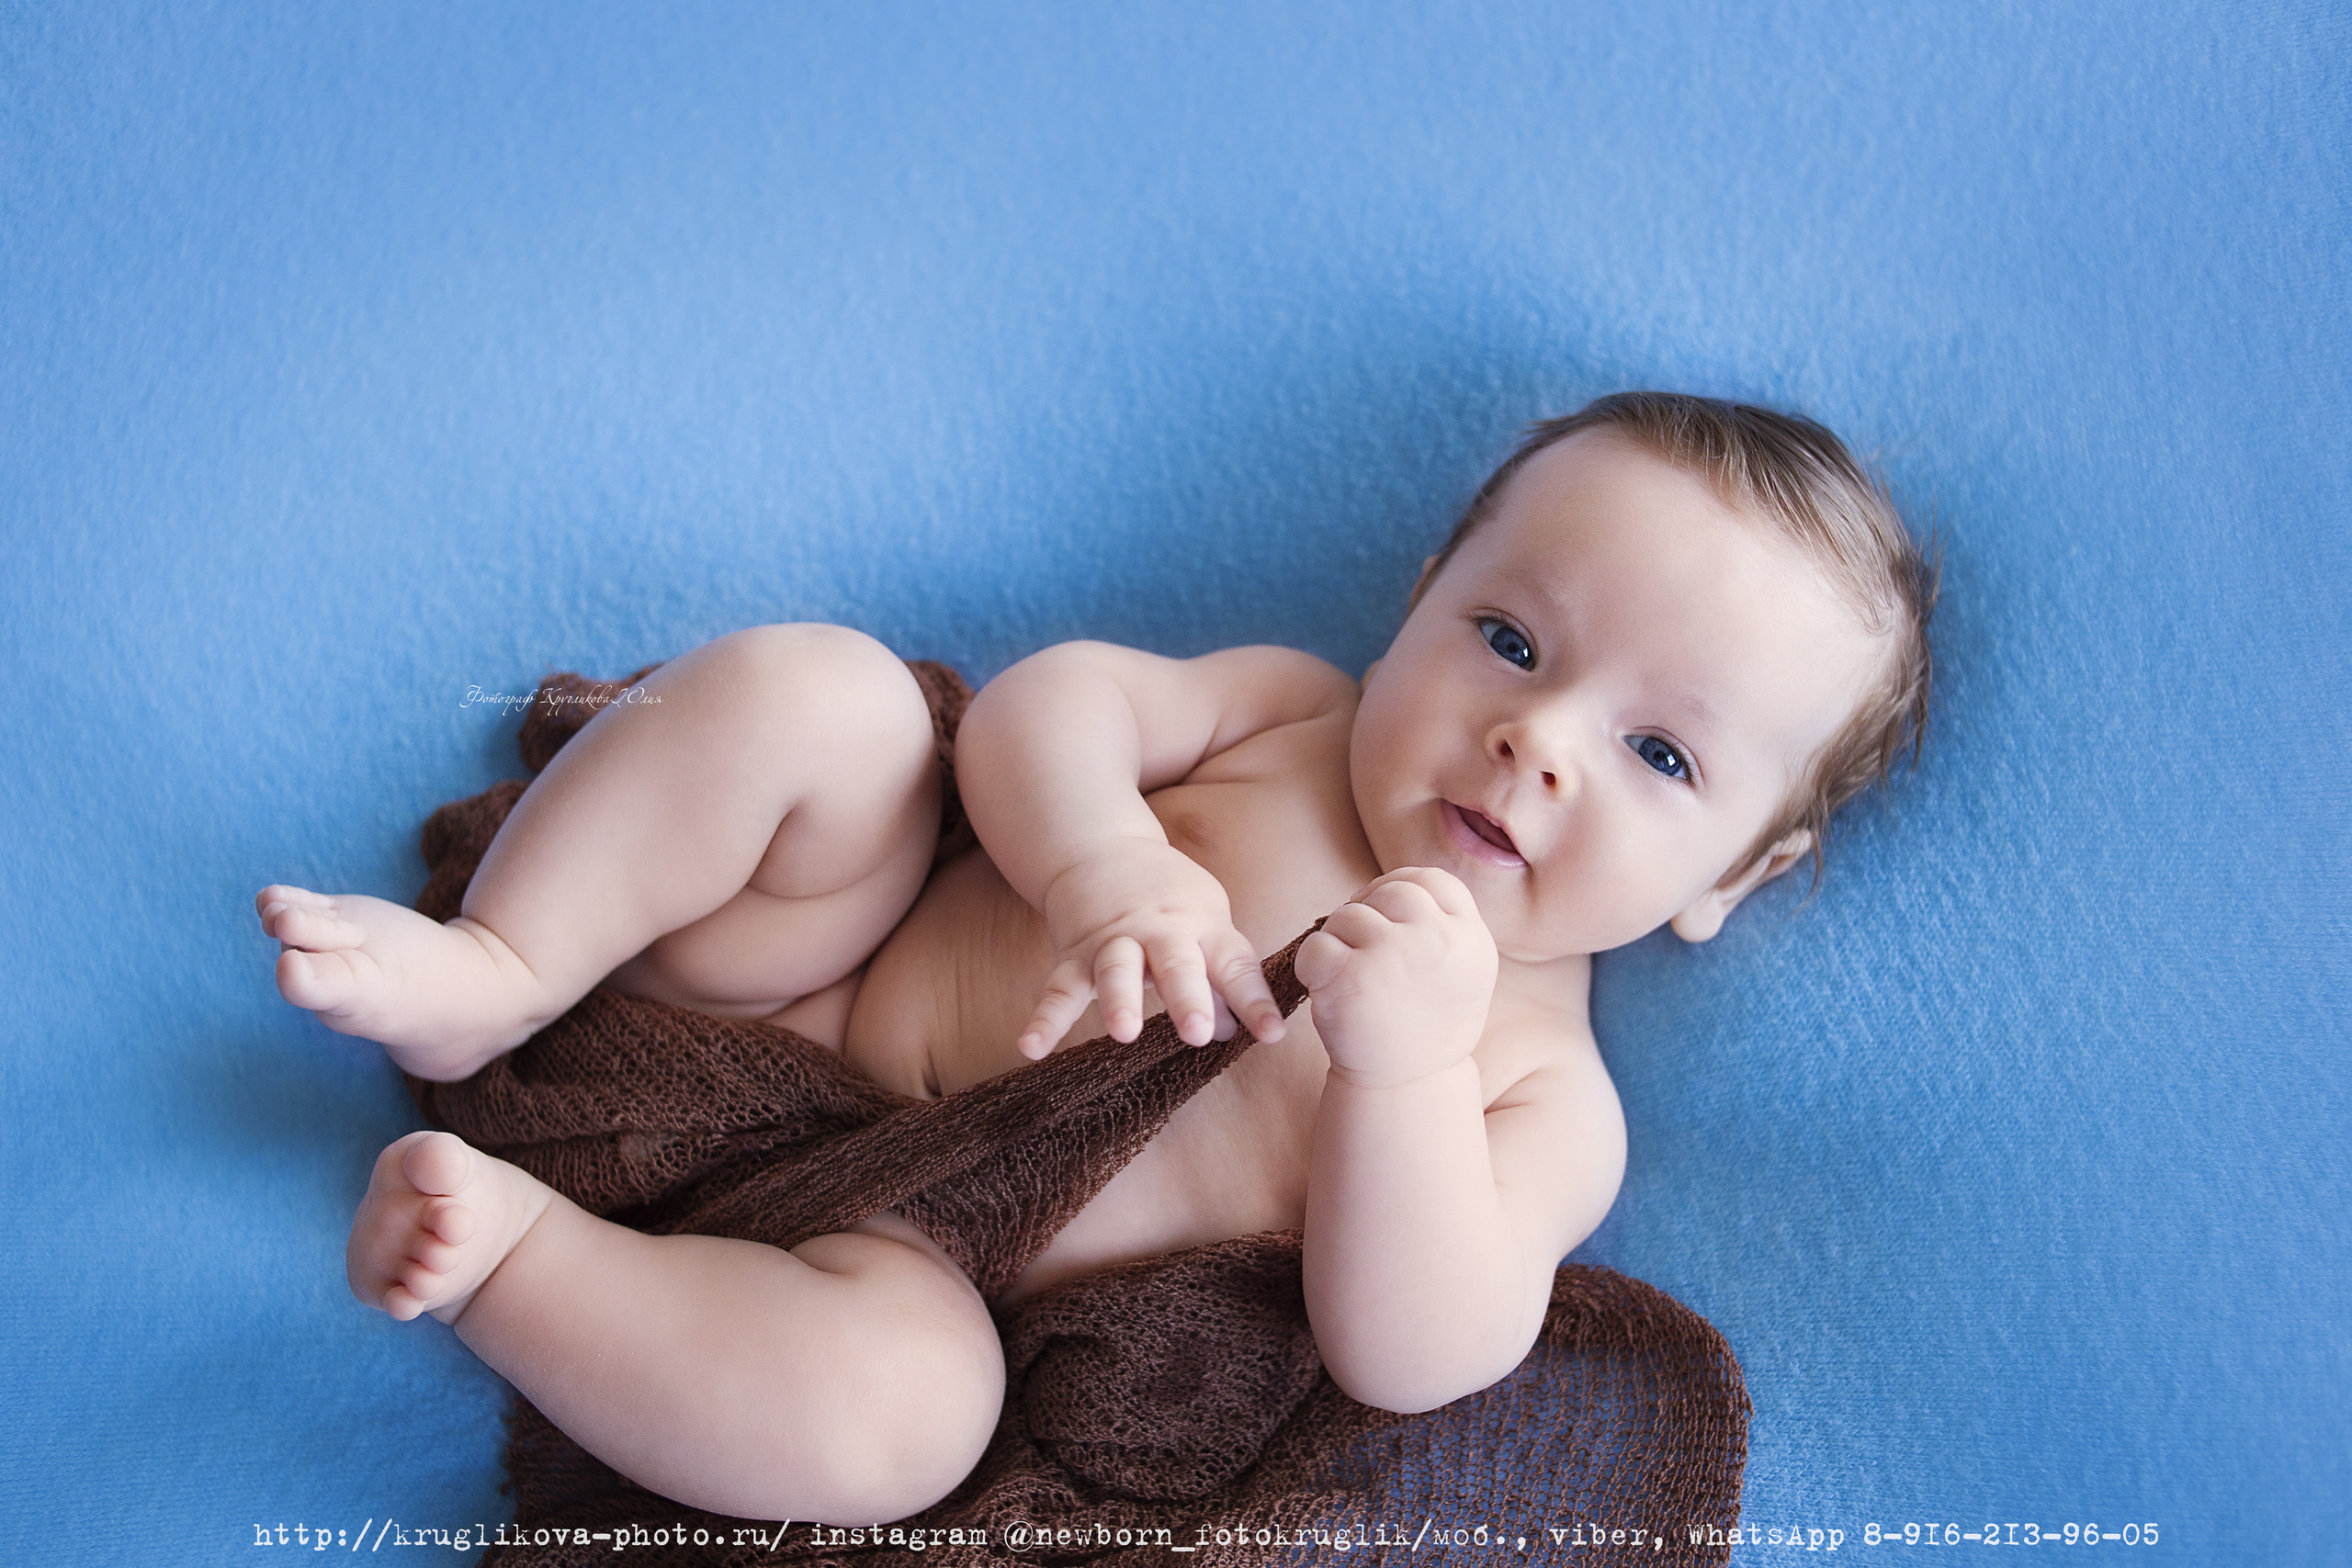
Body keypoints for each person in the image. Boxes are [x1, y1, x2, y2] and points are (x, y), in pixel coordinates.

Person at [255, 391, 1933, 1524]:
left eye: (1662, 758)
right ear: (1419, 599)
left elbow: (1413, 1351)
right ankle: (508, 961)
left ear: (1741, 872)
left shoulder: (1544, 1090)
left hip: (895, 1272)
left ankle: (526, 1267)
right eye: (1507, 639)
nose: (1537, 739)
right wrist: (1102, 861)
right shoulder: (1291, 711)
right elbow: (1056, 703)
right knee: (823, 697)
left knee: (905, 1428)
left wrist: (1404, 1073)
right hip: (794, 981)